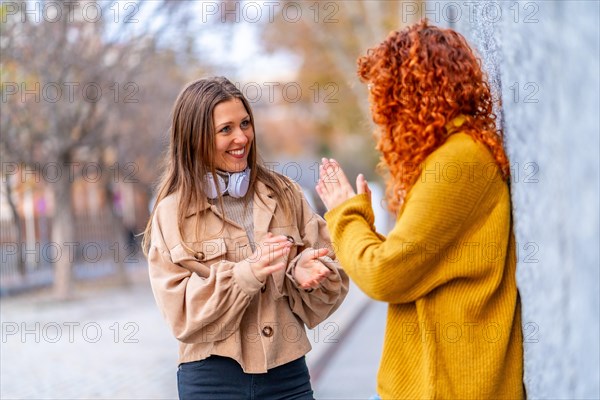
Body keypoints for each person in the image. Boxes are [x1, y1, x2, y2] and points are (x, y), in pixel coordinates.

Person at [315, 20, 524, 399]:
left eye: (384, 95)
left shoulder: (458, 162)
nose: (379, 112)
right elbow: (418, 264)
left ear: (412, 93)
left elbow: (386, 273)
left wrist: (346, 214)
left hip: (452, 385)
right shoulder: (453, 156)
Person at [142, 76, 349, 400]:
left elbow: (332, 281)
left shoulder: (285, 194)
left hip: (287, 376)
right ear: (196, 139)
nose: (241, 137)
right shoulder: (171, 214)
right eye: (226, 129)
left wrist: (304, 273)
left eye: (245, 124)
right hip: (212, 380)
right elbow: (180, 315)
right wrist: (247, 274)